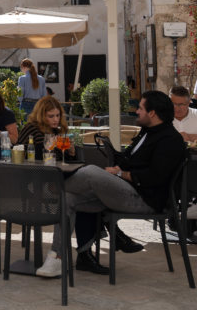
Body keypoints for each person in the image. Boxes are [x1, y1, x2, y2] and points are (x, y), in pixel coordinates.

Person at [36, 90, 186, 278]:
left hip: (144, 200)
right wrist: (115, 169)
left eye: (140, 108)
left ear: (153, 113)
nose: (136, 111)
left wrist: (121, 173)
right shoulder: (147, 132)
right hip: (125, 190)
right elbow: (128, 158)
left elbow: (155, 177)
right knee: (67, 197)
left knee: (90, 172)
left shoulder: (170, 140)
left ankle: (51, 188)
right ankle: (56, 258)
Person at [15, 96, 76, 161]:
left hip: (57, 169)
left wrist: (71, 153)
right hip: (35, 169)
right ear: (41, 116)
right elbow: (35, 156)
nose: (56, 119)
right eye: (51, 116)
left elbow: (65, 161)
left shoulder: (56, 131)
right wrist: (48, 146)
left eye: (58, 115)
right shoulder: (31, 128)